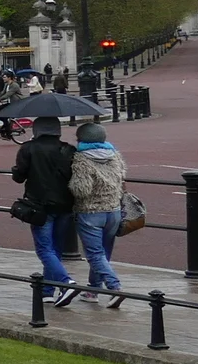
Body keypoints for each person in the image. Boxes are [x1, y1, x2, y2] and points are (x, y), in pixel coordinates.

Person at [11, 114, 79, 307]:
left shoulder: (28, 148)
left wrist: (17, 170)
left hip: (39, 204)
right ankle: (48, 290)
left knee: (44, 249)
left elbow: (19, 177)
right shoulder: (68, 149)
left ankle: (66, 283)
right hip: (65, 204)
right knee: (55, 248)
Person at [68, 122, 128, 305]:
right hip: (114, 211)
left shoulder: (81, 158)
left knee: (94, 254)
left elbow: (81, 189)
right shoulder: (115, 155)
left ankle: (114, 287)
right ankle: (93, 290)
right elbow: (121, 179)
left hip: (90, 212)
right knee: (103, 253)